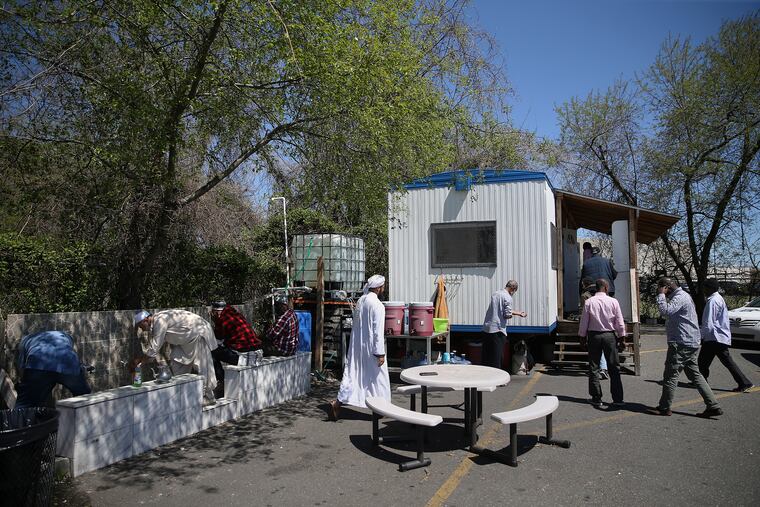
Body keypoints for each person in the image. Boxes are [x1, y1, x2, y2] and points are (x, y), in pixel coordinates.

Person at [648, 278, 722, 417]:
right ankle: (713, 405)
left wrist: (661, 295)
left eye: (662, 288)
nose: (662, 292)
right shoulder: (683, 296)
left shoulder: (680, 297)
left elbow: (666, 311)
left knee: (670, 375)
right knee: (696, 375)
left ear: (667, 287)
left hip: (681, 342)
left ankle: (664, 407)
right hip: (690, 341)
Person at [329, 275, 390, 421]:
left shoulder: (362, 300)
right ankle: (381, 408)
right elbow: (377, 331)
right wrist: (380, 352)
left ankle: (338, 403)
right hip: (371, 348)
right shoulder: (378, 305)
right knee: (378, 379)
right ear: (379, 287)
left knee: (353, 375)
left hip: (357, 347)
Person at [134, 309, 218, 404]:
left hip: (199, 333)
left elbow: (155, 347)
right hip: (186, 341)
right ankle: (182, 393)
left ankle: (209, 397)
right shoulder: (156, 322)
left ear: (145, 320)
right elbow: (153, 351)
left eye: (141, 326)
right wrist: (145, 359)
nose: (142, 329)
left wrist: (141, 361)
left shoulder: (160, 321)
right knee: (176, 360)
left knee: (203, 367)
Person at [698, 279, 753, 393]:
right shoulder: (718, 298)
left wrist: (701, 337)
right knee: (723, 361)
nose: (703, 290)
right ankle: (744, 382)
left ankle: (701, 382)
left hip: (713, 337)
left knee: (703, 361)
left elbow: (708, 322)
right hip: (719, 336)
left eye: (705, 288)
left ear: (710, 288)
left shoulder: (713, 301)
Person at [578, 279, 626, 408]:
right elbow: (620, 322)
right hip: (609, 336)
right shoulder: (613, 301)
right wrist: (622, 338)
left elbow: (584, 322)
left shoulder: (589, 302)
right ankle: (617, 398)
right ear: (605, 287)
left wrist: (582, 338)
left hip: (594, 336)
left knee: (593, 367)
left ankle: (596, 397)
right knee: (614, 367)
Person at [14, 330, 91, 409]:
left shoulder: (25, 341)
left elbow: (22, 368)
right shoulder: (65, 335)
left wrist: (24, 385)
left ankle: (18, 419)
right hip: (68, 362)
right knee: (83, 396)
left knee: (25, 403)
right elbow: (67, 350)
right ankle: (86, 416)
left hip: (38, 364)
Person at [210, 301, 262, 398]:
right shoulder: (237, 315)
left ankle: (221, 382)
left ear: (216, 312)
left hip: (245, 357)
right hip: (257, 353)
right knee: (223, 349)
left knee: (212, 352)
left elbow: (216, 340)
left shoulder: (222, 319)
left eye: (212, 313)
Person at [482, 280, 527, 370]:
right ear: (512, 289)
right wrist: (511, 315)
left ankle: (486, 376)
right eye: (514, 291)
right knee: (497, 357)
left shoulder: (496, 293)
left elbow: (499, 309)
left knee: (487, 355)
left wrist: (518, 313)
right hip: (498, 330)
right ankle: (497, 378)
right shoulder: (508, 297)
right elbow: (507, 315)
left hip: (487, 328)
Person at [580, 277, 609, 379]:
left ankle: (598, 370)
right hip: (608, 330)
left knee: (595, 352)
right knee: (603, 351)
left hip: (593, 329)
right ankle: (604, 369)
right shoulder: (608, 298)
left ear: (584, 284)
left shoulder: (585, 296)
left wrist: (582, 335)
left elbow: (584, 316)